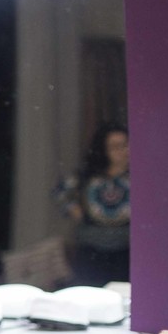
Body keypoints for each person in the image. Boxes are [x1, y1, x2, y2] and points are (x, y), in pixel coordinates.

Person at [55, 122, 130, 286]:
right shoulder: (88, 176)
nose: (123, 151)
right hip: (91, 251)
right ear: (104, 149)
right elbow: (61, 192)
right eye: (115, 146)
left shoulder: (138, 177)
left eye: (126, 145)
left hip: (127, 251)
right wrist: (74, 210)